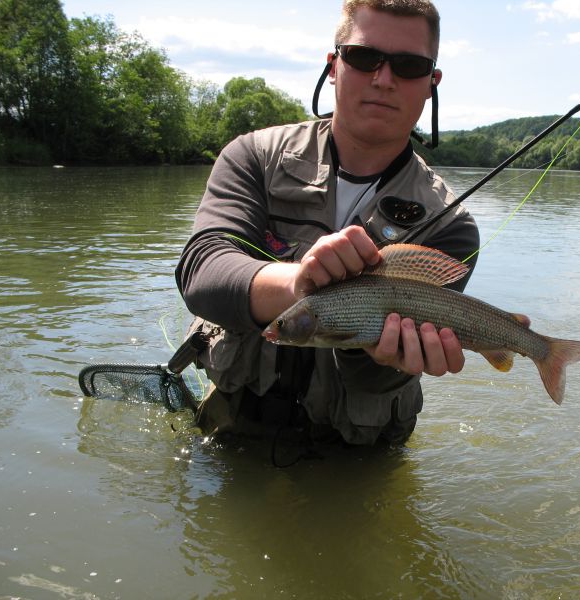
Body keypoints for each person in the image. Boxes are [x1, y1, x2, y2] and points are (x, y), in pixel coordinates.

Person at [175, 0, 479, 448]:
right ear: (334, 66)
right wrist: (300, 282)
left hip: (359, 453)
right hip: (231, 429)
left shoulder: (451, 225)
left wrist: (378, 352)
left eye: (409, 66)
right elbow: (203, 272)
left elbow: (375, 382)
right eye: (363, 57)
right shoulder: (254, 157)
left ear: (431, 83)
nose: (384, 79)